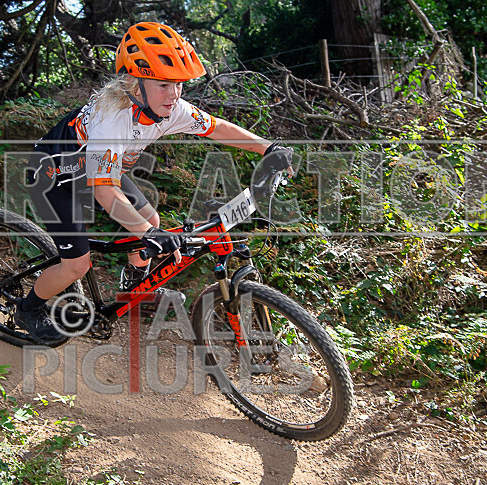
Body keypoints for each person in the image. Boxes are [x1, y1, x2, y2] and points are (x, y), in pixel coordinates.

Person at [17, 21, 292, 345]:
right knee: (77, 265)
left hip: (95, 171)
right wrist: (149, 237)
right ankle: (28, 308)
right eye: (163, 84)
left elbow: (217, 127)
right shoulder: (113, 120)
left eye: (178, 84)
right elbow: (105, 193)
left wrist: (267, 147)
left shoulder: (171, 107)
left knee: (151, 220)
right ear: (135, 83)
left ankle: (133, 290)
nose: (174, 94)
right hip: (53, 177)